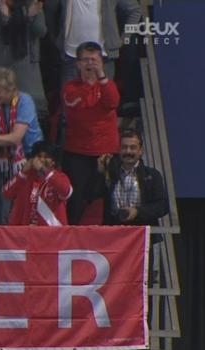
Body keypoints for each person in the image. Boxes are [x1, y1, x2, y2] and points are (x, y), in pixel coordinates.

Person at [62, 41, 120, 225]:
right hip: (78, 153)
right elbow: (76, 103)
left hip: (107, 153)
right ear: (78, 64)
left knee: (111, 200)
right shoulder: (70, 88)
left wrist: (101, 79)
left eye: (94, 60)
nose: (90, 64)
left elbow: (112, 102)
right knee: (75, 202)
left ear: (102, 63)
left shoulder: (108, 86)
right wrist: (88, 84)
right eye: (85, 60)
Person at [0, 67, 43, 224]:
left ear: (12, 90)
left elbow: (16, 138)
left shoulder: (25, 101)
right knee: (3, 199)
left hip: (30, 155)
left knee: (26, 201)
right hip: (3, 158)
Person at [0, 0, 47, 116]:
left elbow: (41, 30)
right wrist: (3, 17)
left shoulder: (30, 3)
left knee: (26, 114)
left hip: (25, 70)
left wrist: (29, 16)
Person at [43, 0, 141, 83]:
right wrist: (55, 38)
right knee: (70, 102)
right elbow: (49, 10)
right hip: (71, 57)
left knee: (105, 102)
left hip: (104, 57)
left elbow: (135, 10)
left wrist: (123, 38)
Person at [97, 129, 168, 226]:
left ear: (140, 151)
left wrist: (137, 212)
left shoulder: (152, 175)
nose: (128, 151)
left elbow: (162, 206)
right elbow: (92, 196)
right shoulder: (110, 174)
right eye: (124, 147)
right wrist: (100, 173)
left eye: (133, 147)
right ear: (119, 150)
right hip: (114, 232)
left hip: (141, 231)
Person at [4, 141, 72, 226]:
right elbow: (7, 193)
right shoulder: (25, 177)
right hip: (26, 233)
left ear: (53, 161)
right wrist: (22, 173)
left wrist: (42, 170)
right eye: (39, 156)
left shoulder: (59, 177)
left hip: (53, 234)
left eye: (46, 157)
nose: (42, 160)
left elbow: (67, 191)